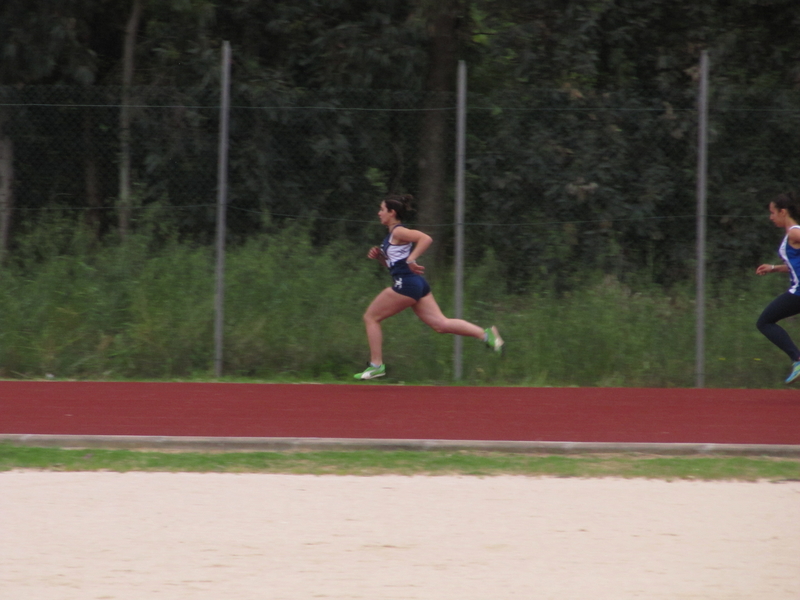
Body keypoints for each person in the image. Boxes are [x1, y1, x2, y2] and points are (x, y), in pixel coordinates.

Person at [354, 194, 504, 380]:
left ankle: (376, 365)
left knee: (371, 317)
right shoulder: (391, 236)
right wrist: (380, 258)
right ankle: (486, 335)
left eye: (382, 209)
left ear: (392, 213)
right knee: (441, 324)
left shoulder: (398, 232)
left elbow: (425, 239)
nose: (379, 213)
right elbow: (394, 265)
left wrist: (411, 259)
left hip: (406, 284)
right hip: (415, 284)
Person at [756, 191, 800, 384]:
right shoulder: (791, 234)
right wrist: (773, 268)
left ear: (783, 212)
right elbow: (794, 264)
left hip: (798, 293)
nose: (771, 217)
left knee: (765, 322)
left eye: (773, 212)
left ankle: (797, 359)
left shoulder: (794, 232)